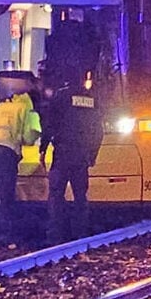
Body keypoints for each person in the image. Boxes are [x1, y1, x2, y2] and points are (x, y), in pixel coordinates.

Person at [40, 72, 104, 243]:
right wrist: (92, 154)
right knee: (80, 196)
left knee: (56, 194)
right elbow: (98, 130)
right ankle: (80, 233)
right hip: (81, 156)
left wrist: (43, 147)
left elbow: (50, 124)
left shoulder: (61, 96)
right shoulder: (92, 99)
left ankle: (55, 234)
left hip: (62, 154)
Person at [0, 71, 40, 237]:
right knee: (6, 194)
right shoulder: (27, 108)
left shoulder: (0, 106)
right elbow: (30, 136)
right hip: (5, 151)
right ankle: (7, 234)